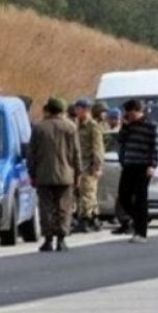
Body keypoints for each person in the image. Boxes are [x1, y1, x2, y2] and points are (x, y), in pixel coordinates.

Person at [28, 98, 81, 252]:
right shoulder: (70, 127)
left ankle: (48, 239)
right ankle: (61, 239)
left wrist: (32, 173)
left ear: (48, 109)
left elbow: (32, 154)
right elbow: (76, 154)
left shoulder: (39, 128)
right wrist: (78, 174)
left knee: (46, 208)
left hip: (43, 175)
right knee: (64, 207)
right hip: (66, 175)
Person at [115, 99, 158, 243]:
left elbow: (156, 147)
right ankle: (140, 219)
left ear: (137, 110)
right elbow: (120, 140)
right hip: (129, 164)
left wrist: (152, 165)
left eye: (130, 113)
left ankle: (141, 233)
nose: (128, 115)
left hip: (143, 166)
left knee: (141, 198)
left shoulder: (151, 126)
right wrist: (125, 127)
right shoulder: (129, 125)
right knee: (123, 196)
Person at [73, 98, 105, 233]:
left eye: (79, 109)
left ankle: (85, 219)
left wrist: (97, 167)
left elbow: (98, 147)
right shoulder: (77, 125)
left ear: (85, 110)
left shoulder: (93, 126)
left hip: (89, 164)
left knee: (87, 192)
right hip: (79, 164)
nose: (76, 111)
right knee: (84, 193)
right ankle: (93, 218)